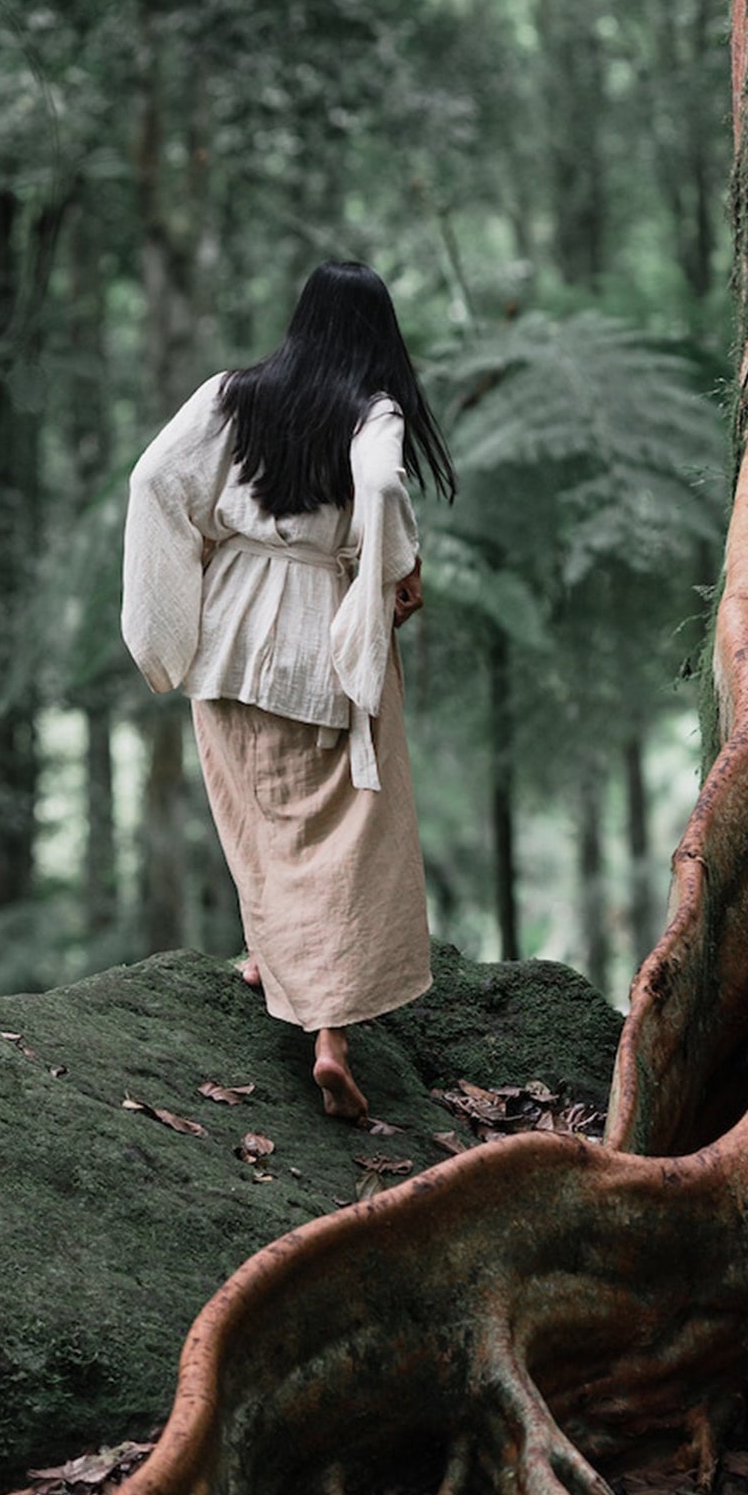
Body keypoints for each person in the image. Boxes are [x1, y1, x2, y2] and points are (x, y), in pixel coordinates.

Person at [121, 261, 455, 1121]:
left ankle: (269, 953)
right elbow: (381, 485)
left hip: (230, 634)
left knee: (254, 804)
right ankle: (331, 1040)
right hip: (321, 640)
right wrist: (394, 567)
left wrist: (170, 610)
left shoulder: (232, 394)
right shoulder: (370, 409)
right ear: (377, 332)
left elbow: (154, 479)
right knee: (341, 830)